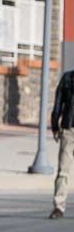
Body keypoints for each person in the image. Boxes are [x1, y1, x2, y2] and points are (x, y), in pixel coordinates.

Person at [51, 67, 74, 219]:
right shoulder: (68, 79)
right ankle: (59, 206)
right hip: (68, 130)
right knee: (63, 170)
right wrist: (55, 125)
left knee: (63, 171)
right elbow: (58, 103)